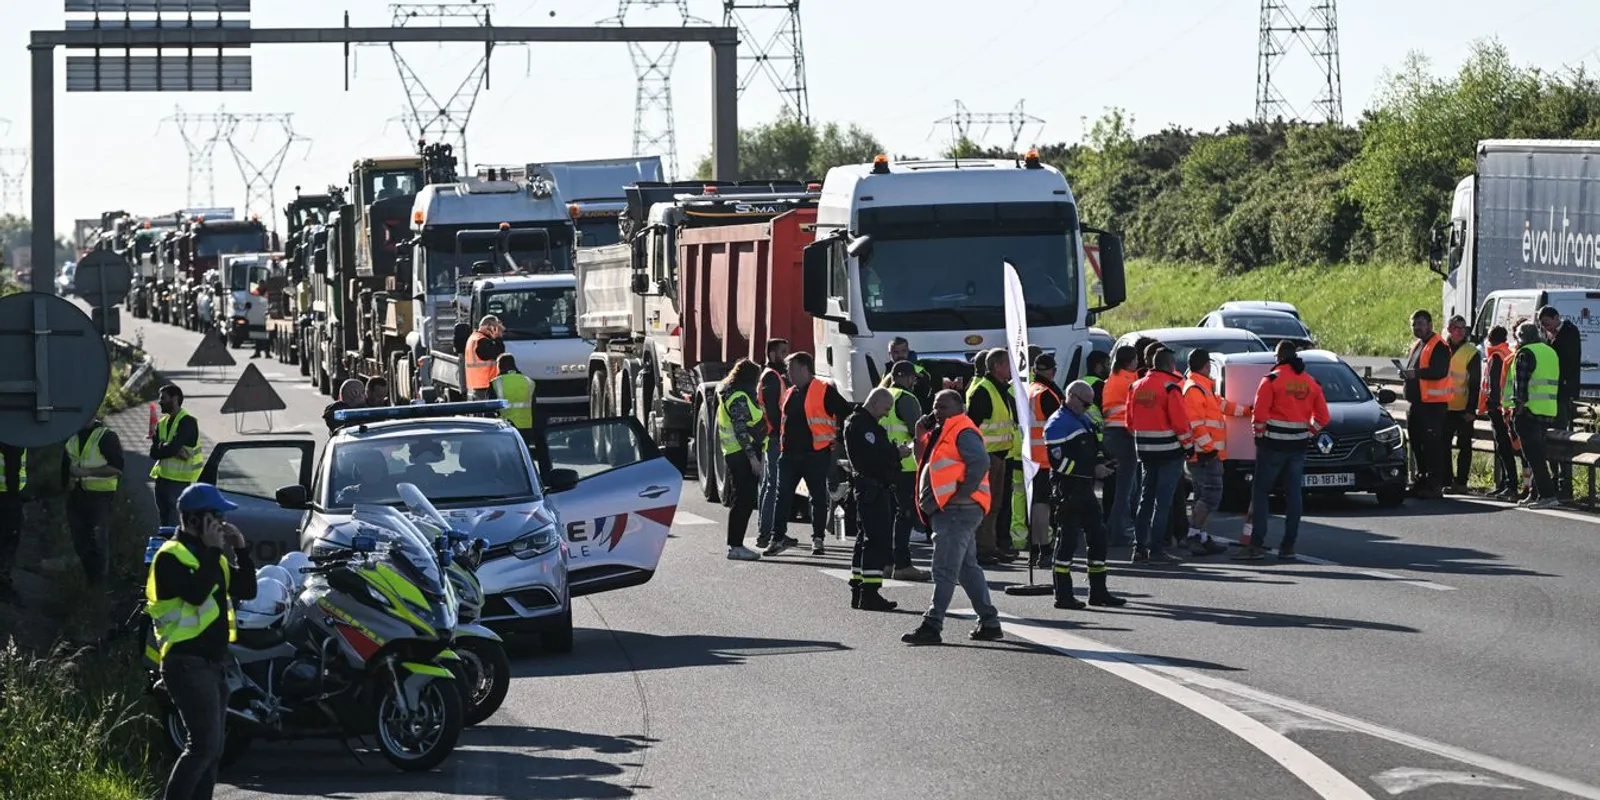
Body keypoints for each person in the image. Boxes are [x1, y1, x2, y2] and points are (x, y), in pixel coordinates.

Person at [148, 483, 258, 800]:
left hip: (214, 663)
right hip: (185, 663)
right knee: (203, 746)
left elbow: (246, 589)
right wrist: (213, 550)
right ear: (195, 520)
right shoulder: (170, 557)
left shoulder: (213, 557)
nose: (223, 522)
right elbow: (195, 595)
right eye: (217, 516)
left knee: (214, 749)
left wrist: (240, 549)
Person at [901, 390, 1002, 645]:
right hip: (954, 510)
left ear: (960, 407)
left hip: (958, 510)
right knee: (966, 568)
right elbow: (924, 462)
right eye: (935, 406)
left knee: (944, 568)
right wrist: (918, 433)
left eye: (943, 406)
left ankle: (932, 624)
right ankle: (989, 622)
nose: (937, 411)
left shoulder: (962, 430)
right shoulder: (945, 430)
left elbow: (980, 463)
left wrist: (961, 495)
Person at [1236, 341, 1329, 560]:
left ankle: (1256, 543)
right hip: (1297, 447)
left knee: (1260, 493)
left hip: (1271, 446)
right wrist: (1308, 433)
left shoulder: (1271, 380)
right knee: (1293, 495)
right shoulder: (1310, 382)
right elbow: (1323, 417)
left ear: (1278, 357)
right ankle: (1288, 546)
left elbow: (1259, 415)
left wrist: (1259, 437)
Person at [1044, 380, 1126, 609]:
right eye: (1085, 403)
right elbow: (1059, 463)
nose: (1088, 407)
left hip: (1085, 488)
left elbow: (1095, 448)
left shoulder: (1084, 418)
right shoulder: (1057, 424)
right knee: (1068, 540)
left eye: (1091, 404)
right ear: (1071, 396)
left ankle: (1098, 592)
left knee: (1098, 535)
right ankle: (1063, 594)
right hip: (1067, 488)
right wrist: (1092, 470)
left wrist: (1106, 461)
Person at [768, 352, 851, 557]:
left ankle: (818, 539)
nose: (789, 374)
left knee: (817, 497)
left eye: (792, 369)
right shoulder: (790, 392)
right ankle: (777, 538)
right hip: (789, 455)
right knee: (783, 496)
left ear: (804, 368)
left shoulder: (823, 390)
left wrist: (838, 437)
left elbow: (846, 411)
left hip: (815, 454)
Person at [844, 388, 906, 611]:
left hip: (872, 488)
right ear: (875, 402)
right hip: (871, 488)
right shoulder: (861, 425)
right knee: (875, 540)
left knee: (866, 539)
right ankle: (869, 593)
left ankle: (860, 590)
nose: (886, 413)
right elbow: (872, 458)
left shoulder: (866, 424)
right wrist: (896, 454)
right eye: (886, 408)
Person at [1127, 347, 1191, 565]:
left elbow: (1129, 421)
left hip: (1145, 451)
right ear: (1170, 365)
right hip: (1169, 451)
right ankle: (1156, 549)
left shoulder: (1135, 386)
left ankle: (1139, 548)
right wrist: (1189, 446)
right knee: (1162, 502)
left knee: (1145, 499)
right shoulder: (1170, 387)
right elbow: (1180, 422)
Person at [1181, 349, 1244, 556]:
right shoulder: (1194, 390)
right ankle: (1193, 535)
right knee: (1210, 497)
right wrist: (1210, 451)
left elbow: (1224, 406)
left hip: (1204, 455)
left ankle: (1201, 536)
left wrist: (1249, 410)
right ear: (1206, 366)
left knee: (1202, 496)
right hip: (1204, 456)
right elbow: (1196, 425)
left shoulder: (1202, 388)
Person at [965, 348, 1019, 564]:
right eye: (1008, 364)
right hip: (987, 457)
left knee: (995, 505)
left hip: (1000, 456)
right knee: (984, 505)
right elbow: (972, 427)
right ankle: (982, 550)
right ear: (997, 366)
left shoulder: (1000, 389)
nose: (1011, 368)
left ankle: (990, 545)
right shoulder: (984, 390)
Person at [62, 416, 125, 587]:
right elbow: (66, 463)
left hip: (100, 498)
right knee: (80, 541)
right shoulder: (72, 435)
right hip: (76, 497)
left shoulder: (106, 437)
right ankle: (90, 579)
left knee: (98, 541)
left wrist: (87, 472)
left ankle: (98, 586)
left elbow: (117, 469)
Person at [884, 360, 931, 581]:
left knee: (889, 514)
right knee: (905, 516)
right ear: (907, 377)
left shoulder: (883, 395)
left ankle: (887, 562)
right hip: (906, 465)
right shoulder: (907, 399)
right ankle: (902, 564)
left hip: (885, 464)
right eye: (913, 378)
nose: (914, 382)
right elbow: (919, 431)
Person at [716, 359, 767, 561]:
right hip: (741, 454)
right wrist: (753, 458)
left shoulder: (736, 393)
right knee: (743, 500)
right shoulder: (739, 397)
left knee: (743, 499)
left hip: (737, 453)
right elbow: (741, 430)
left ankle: (736, 544)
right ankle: (735, 546)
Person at [1508, 322, 1560, 509]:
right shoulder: (1549, 352)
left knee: (1533, 456)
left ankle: (1547, 494)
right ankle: (1536, 493)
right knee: (1539, 454)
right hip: (1548, 411)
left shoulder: (1525, 353)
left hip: (1529, 411)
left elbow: (1521, 385)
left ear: (1520, 337)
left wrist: (1518, 408)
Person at [1400, 309, 1451, 499]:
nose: (1417, 328)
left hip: (1433, 405)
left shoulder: (1439, 345)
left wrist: (1416, 374)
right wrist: (1407, 373)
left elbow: (1439, 370)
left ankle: (1434, 483)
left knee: (1432, 445)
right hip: (1418, 404)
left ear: (1430, 324)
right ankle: (1421, 480)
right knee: (1417, 443)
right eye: (1414, 324)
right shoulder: (1417, 345)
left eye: (1420, 324)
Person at [1025, 353, 1066, 568]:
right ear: (1051, 370)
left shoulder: (1030, 389)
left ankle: (1035, 549)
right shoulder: (1048, 394)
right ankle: (1045, 549)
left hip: (1029, 456)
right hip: (1045, 458)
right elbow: (1057, 426)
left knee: (1034, 504)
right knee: (1042, 505)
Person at [1539, 305, 1581, 500]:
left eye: (1548, 324)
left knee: (1561, 438)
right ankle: (1555, 480)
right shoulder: (1551, 335)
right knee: (1551, 439)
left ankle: (1565, 484)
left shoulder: (1568, 333)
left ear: (1556, 318)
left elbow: (1567, 363)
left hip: (1561, 395)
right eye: (1543, 326)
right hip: (1550, 396)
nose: (1547, 328)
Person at [1099, 345, 1140, 546]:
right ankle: (1117, 531)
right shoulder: (1129, 381)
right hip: (1125, 435)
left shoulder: (1112, 379)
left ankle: (1114, 528)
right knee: (1125, 489)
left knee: (1121, 487)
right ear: (1130, 361)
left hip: (1111, 435)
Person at [150, 383, 204, 528]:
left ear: (175, 399)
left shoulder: (187, 422)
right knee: (164, 522)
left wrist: (164, 445)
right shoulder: (161, 423)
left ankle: (176, 550)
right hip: (161, 480)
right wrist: (167, 447)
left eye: (163, 398)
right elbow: (153, 453)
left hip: (179, 482)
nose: (160, 401)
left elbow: (171, 448)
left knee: (176, 524)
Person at [755, 338, 790, 551]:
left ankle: (771, 531)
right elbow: (773, 409)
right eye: (783, 352)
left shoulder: (774, 375)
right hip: (775, 436)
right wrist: (780, 432)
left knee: (771, 484)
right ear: (772, 354)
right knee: (774, 485)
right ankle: (767, 533)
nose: (786, 356)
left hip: (773, 435)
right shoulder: (772, 376)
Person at [1444, 314, 1481, 493]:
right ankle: (1447, 480)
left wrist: (1471, 409)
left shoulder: (1471, 351)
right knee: (1443, 445)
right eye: (1456, 328)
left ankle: (1461, 482)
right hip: (1443, 406)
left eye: (1463, 328)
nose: (1459, 331)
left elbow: (1475, 383)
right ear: (1449, 329)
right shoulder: (1442, 348)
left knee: (1464, 446)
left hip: (1463, 407)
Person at [1480, 326, 1519, 499]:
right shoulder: (1506, 352)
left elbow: (1495, 385)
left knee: (1503, 448)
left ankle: (1510, 484)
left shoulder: (1496, 356)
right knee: (1504, 448)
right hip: (1504, 407)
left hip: (1498, 408)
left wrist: (1491, 404)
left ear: (1490, 338)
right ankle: (1506, 483)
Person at [490, 353, 538, 443]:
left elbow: (489, 410)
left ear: (499, 365)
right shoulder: (529, 381)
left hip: (503, 428)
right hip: (525, 428)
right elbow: (534, 408)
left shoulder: (496, 383)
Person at [0, 444, 26, 606]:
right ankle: (3, 586)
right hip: (7, 496)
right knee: (8, 540)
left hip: (9, 495)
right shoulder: (14, 429)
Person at [464, 315, 506, 400]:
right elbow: (498, 353)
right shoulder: (482, 341)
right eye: (495, 328)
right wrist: (498, 338)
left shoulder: (474, 338)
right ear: (488, 327)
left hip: (477, 385)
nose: (497, 331)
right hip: (485, 386)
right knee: (488, 412)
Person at [886, 336, 934, 410]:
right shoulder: (888, 371)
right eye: (896, 352)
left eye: (903, 351)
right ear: (890, 354)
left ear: (908, 351)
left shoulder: (919, 374)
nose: (900, 355)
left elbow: (922, 402)